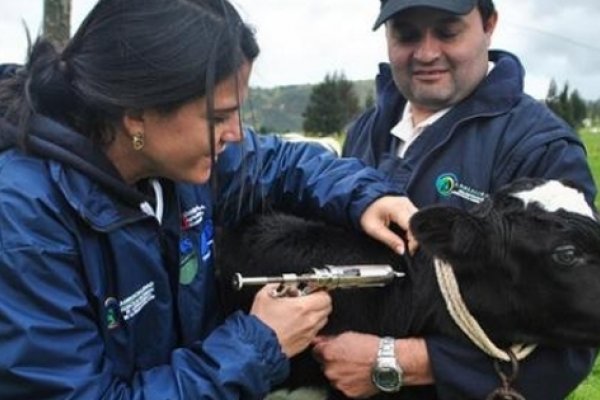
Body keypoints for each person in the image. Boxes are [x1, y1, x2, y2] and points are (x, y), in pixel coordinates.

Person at [0, 0, 418, 398]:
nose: (235, 133)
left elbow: (278, 161)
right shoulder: (25, 224)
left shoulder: (176, 163)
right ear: (136, 116)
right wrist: (259, 343)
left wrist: (366, 198)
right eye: (218, 117)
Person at [312, 0, 598, 398]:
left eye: (448, 32)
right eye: (406, 34)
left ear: (489, 24)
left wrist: (400, 361)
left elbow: (575, 340)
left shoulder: (540, 149)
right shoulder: (368, 129)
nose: (426, 53)